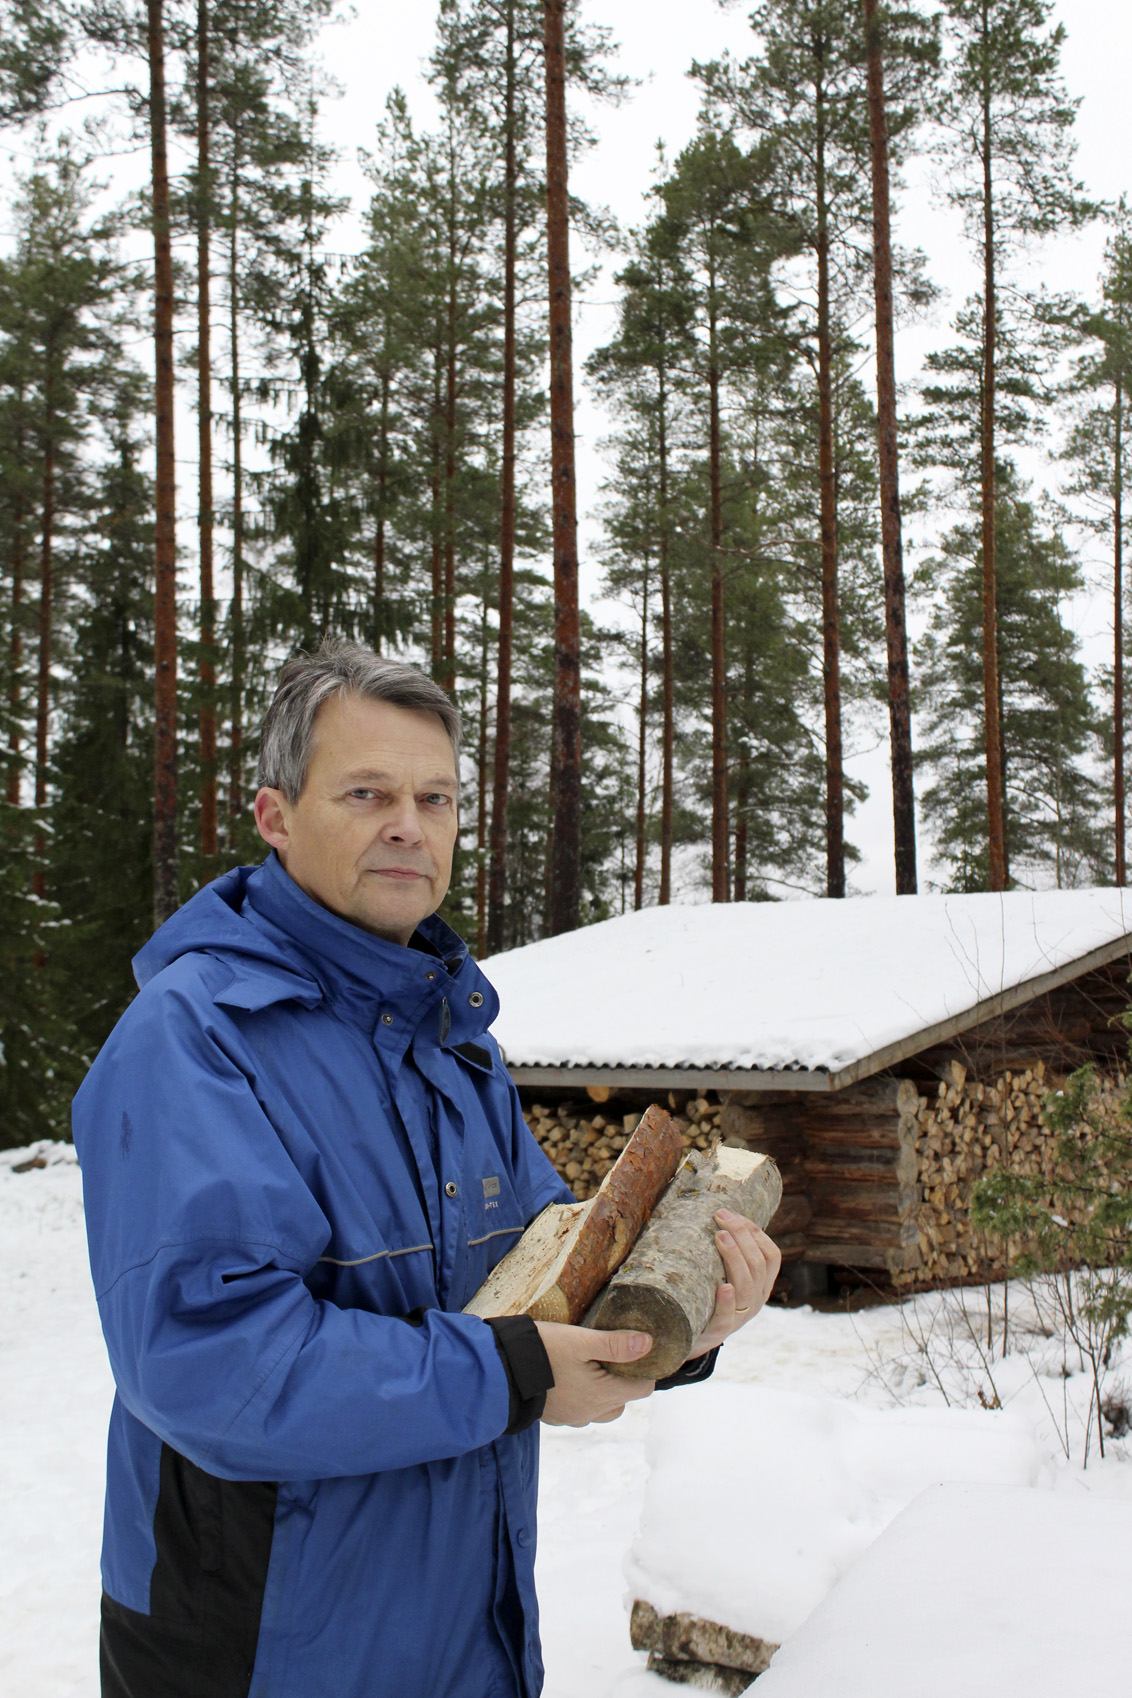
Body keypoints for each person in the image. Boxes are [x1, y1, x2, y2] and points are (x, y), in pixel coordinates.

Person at [73, 641, 781, 1698]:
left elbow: (550, 1270)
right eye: (367, 793)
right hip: (265, 1647)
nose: (410, 824)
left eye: (437, 798)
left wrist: (674, 1326)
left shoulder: (452, 1038)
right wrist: (510, 1374)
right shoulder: (193, 1038)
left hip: (463, 1625)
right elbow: (211, 1366)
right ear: (274, 817)